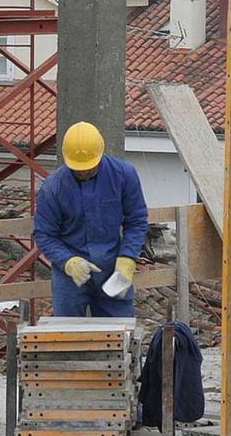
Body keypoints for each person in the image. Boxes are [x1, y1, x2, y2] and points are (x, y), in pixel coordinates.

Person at [33, 121, 148, 318]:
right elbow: (44, 235)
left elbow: (137, 221)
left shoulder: (124, 176)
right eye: (79, 169)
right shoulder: (53, 188)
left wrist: (128, 257)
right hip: (70, 276)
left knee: (118, 335)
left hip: (113, 268)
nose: (85, 172)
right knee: (68, 336)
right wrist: (68, 261)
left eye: (90, 167)